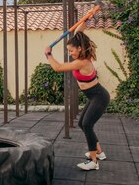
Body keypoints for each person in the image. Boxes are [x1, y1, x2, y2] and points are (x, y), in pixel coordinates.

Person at [44, 24, 110, 171]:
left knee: (87, 125)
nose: (70, 53)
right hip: (94, 97)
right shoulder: (81, 53)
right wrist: (88, 16)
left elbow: (58, 68)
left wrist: (49, 54)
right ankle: (99, 152)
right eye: (69, 51)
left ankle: (93, 162)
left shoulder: (81, 62)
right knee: (82, 123)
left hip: (99, 96)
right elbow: (79, 31)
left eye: (71, 50)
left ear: (79, 48)